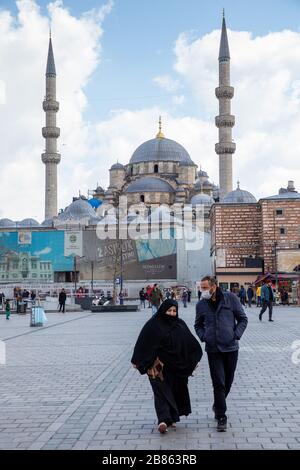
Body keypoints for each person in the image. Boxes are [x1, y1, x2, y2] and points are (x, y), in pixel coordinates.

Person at [131, 299, 203, 434]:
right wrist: (137, 360)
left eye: (174, 311)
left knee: (174, 391)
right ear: (163, 310)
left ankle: (172, 418)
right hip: (157, 366)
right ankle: (163, 420)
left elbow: (190, 343)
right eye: (169, 310)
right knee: (160, 392)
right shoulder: (153, 324)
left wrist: (193, 361)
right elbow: (143, 342)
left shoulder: (179, 324)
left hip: (176, 367)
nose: (171, 313)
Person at [195, 276, 248, 432]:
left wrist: (236, 334)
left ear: (214, 286)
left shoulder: (230, 298)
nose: (202, 290)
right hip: (213, 349)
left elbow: (243, 319)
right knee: (219, 383)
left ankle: (218, 404)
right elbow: (197, 324)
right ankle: (221, 416)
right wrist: (204, 336)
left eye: (205, 288)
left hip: (231, 347)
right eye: (201, 288)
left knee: (228, 382)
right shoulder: (201, 304)